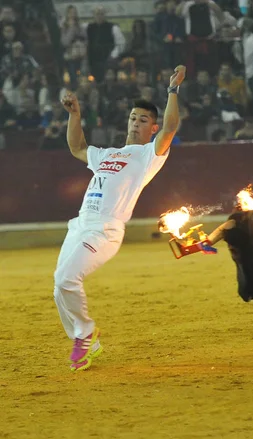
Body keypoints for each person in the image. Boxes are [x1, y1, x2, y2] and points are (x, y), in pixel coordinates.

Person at [53, 65, 187, 372]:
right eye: (133, 117)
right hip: (80, 225)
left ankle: (85, 335)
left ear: (152, 129)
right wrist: (75, 115)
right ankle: (88, 340)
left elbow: (171, 128)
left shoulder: (148, 156)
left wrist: (173, 90)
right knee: (58, 288)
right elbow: (77, 147)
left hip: (105, 231)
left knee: (66, 279)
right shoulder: (106, 154)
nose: (136, 123)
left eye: (143, 120)